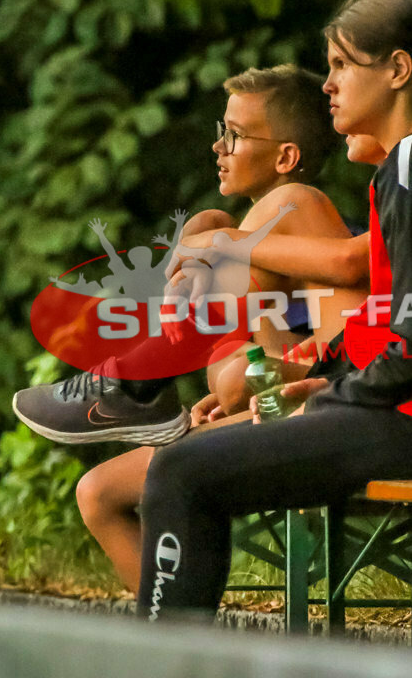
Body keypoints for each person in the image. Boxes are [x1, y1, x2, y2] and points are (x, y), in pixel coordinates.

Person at [134, 0, 412, 620]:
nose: (327, 84)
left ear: (398, 71)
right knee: (186, 464)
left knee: (180, 474)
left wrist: (330, 397)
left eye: (340, 64)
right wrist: (317, 378)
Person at [55, 65, 367, 591]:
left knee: (172, 461)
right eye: (221, 132)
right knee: (97, 492)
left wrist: (208, 249)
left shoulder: (298, 204)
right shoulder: (247, 235)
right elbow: (268, 361)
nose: (219, 148)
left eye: (236, 135)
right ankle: (174, 647)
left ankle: (139, 381)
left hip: (335, 404)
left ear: (286, 156)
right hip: (293, 396)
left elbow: (322, 352)